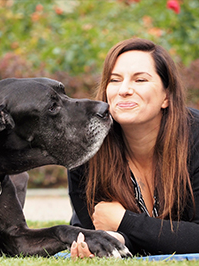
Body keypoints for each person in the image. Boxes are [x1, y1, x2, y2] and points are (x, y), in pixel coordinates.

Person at [68, 38, 199, 258]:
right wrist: (120, 240)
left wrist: (123, 222)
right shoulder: (85, 146)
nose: (124, 90)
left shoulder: (195, 136)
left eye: (140, 80)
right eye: (115, 80)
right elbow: (92, 232)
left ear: (166, 96)